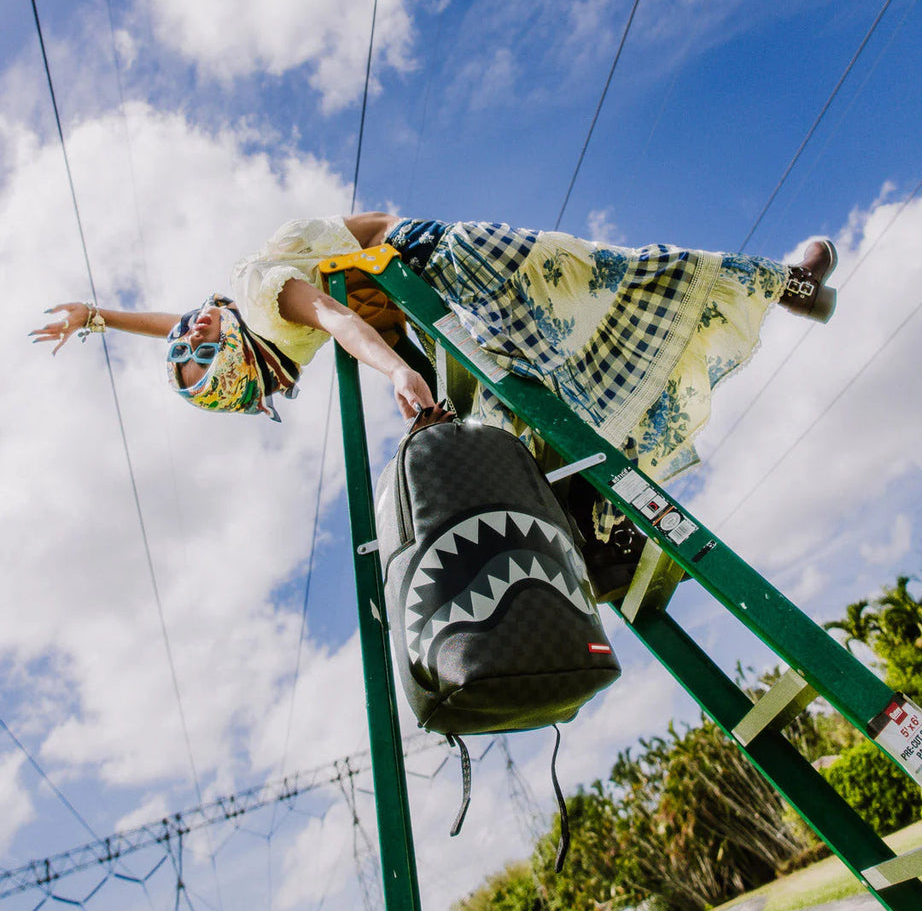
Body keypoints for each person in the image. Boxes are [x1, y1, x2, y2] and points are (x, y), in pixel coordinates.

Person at [31, 212, 836, 588]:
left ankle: (783, 282)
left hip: (431, 259)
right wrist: (98, 316)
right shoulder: (253, 321)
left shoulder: (259, 296)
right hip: (420, 298)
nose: (190, 330)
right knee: (537, 395)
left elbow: (337, 320)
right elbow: (203, 324)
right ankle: (601, 520)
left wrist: (392, 373)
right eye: (199, 347)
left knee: (594, 285)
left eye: (272, 379)